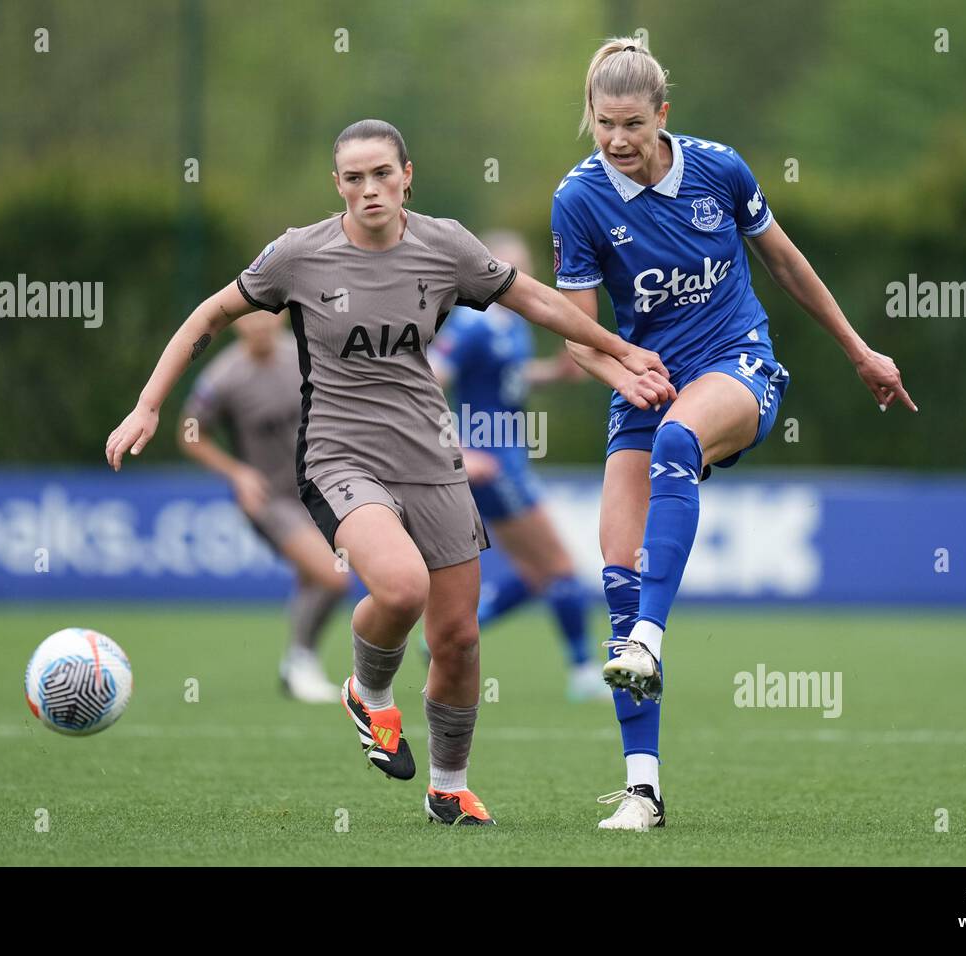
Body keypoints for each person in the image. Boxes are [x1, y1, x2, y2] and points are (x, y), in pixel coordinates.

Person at [106, 118, 670, 826]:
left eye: (381, 174)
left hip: (432, 457)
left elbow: (539, 301)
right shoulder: (298, 255)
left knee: (458, 639)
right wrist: (148, 406)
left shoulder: (446, 245)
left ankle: (449, 787)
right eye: (353, 177)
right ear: (337, 184)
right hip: (340, 455)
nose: (369, 188)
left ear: (408, 175)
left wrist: (618, 350)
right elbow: (207, 317)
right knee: (399, 588)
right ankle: (369, 694)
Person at [552, 39, 917, 830]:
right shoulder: (577, 200)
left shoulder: (720, 169)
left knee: (679, 445)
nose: (617, 140)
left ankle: (653, 635)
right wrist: (624, 377)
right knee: (617, 578)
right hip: (642, 385)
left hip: (735, 363)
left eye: (633, 125)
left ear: (663, 116)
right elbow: (578, 336)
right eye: (604, 123)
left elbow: (784, 263)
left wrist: (860, 352)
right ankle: (643, 790)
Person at [430, 230, 610, 702]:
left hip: (505, 460)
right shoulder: (470, 325)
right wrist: (458, 451)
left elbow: (503, 378)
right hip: (492, 464)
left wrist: (551, 373)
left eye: (517, 266)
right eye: (501, 265)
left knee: (535, 575)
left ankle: (446, 639)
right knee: (560, 565)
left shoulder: (511, 325)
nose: (510, 276)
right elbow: (427, 384)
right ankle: (584, 670)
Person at [178, 309, 347, 703]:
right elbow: (189, 434)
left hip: (318, 490)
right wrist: (237, 473)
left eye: (267, 315)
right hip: (270, 500)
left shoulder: (305, 356)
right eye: (249, 317)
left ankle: (298, 666)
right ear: (237, 323)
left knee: (314, 578)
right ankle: (299, 661)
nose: (258, 324)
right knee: (333, 576)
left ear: (283, 317)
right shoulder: (222, 378)